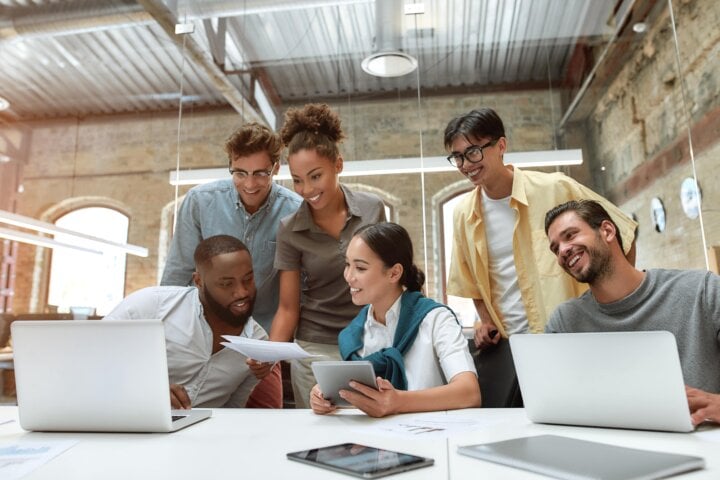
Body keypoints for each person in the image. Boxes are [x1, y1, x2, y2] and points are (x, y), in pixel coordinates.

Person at [443, 107, 637, 350]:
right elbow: (471, 282)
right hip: (512, 348)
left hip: (575, 337)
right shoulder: (463, 215)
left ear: (501, 146)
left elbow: (622, 235)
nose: (465, 164)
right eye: (457, 157)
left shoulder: (556, 188)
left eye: (473, 152)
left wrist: (617, 307)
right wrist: (485, 320)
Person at [161, 122, 302, 408]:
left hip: (258, 347)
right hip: (196, 337)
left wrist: (271, 351)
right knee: (183, 416)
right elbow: (176, 279)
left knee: (263, 424)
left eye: (260, 173)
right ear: (230, 166)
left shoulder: (295, 212)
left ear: (275, 168)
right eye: (240, 173)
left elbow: (295, 295)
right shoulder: (200, 202)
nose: (250, 184)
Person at [544, 199, 720, 426]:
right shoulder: (564, 322)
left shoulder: (702, 291)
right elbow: (553, 403)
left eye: (570, 235)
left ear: (607, 231)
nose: (563, 251)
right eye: (555, 248)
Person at [269, 103, 386, 408]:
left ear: (338, 165)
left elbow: (391, 280)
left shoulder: (372, 210)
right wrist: (268, 356)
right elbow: (287, 308)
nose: (306, 189)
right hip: (315, 348)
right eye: (297, 179)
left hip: (369, 340)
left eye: (315, 176)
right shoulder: (289, 230)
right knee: (321, 434)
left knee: (370, 428)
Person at [309, 222, 481, 418]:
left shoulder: (436, 319)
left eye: (360, 268)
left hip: (435, 435)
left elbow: (469, 393)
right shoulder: (354, 334)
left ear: (394, 273)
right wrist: (325, 396)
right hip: (376, 440)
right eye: (347, 265)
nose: (349, 276)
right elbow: (359, 396)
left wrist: (397, 401)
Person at [106, 235, 274, 409]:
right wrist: (143, 388)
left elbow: (233, 410)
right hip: (131, 423)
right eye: (226, 284)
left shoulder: (258, 342)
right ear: (198, 281)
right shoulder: (151, 307)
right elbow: (89, 361)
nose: (241, 292)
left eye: (248, 279)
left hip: (202, 433)